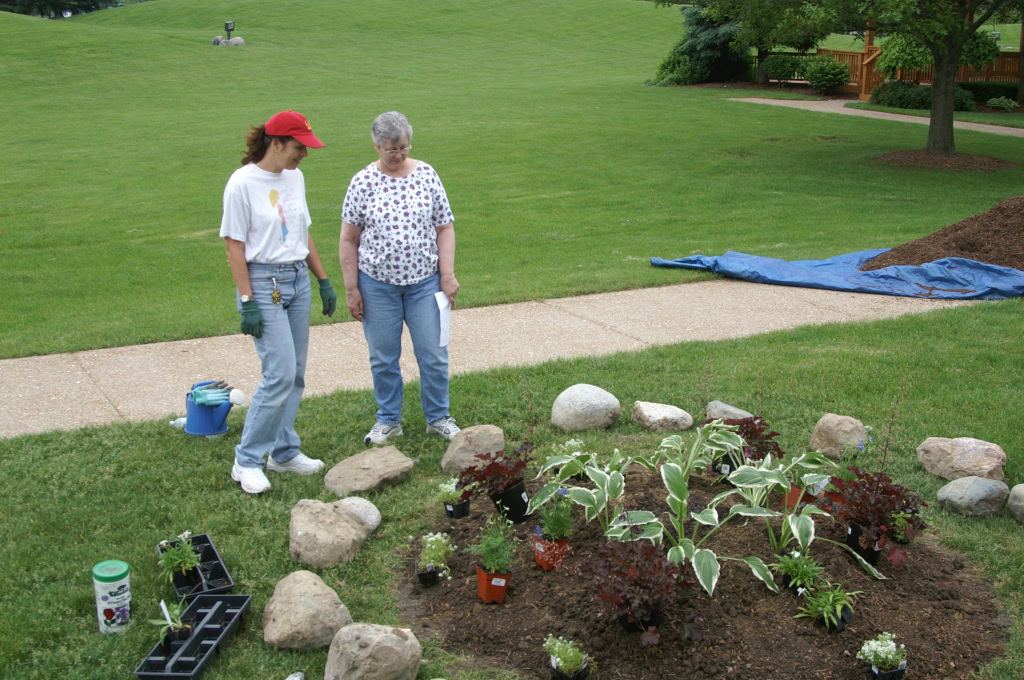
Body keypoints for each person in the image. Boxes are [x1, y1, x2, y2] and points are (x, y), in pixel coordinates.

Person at [220, 110, 337, 494]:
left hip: (297, 279)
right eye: (299, 147)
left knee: (296, 372)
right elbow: (234, 247)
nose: (304, 155)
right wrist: (246, 300)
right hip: (261, 282)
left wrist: (322, 279)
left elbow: (302, 232)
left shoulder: (295, 178)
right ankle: (247, 460)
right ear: (276, 143)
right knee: (279, 374)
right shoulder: (241, 184)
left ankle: (284, 452)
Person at [339, 111, 461, 445]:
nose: (398, 155)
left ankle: (438, 417)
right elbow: (349, 239)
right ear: (376, 145)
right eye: (390, 149)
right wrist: (352, 288)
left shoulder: (426, 175)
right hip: (377, 284)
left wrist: (447, 275)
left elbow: (444, 226)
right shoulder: (362, 182)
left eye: (403, 148)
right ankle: (388, 420)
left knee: (433, 353)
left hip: (425, 283)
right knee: (383, 357)